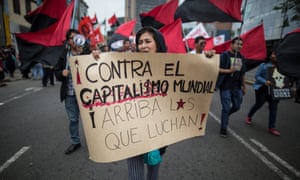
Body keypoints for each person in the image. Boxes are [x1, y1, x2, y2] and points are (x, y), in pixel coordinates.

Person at [125, 26, 168, 180]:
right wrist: (95, 58)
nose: (143, 45)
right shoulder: (126, 66)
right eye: (140, 42)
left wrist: (208, 58)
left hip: (159, 132)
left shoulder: (173, 66)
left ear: (158, 44)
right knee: (135, 176)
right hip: (134, 130)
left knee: (153, 171)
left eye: (147, 41)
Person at [54, 29, 90, 154]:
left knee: (89, 119)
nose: (74, 40)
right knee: (73, 119)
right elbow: (56, 71)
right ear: (68, 41)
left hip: (86, 94)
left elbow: (96, 67)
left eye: (76, 37)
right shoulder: (64, 54)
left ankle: (94, 142)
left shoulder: (86, 51)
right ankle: (75, 142)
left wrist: (91, 54)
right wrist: (61, 73)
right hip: (70, 93)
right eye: (71, 38)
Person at [245, 50, 281, 136]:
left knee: (274, 108)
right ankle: (249, 116)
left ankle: (272, 127)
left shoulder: (280, 67)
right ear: (270, 56)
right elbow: (257, 76)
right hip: (262, 89)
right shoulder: (263, 65)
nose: (275, 56)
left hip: (274, 90)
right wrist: (265, 81)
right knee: (258, 104)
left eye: (277, 55)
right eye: (274, 54)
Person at [218, 37, 246, 137]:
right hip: (225, 86)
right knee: (225, 107)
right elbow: (217, 69)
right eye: (237, 44)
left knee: (237, 106)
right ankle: (223, 128)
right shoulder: (224, 55)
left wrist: (244, 86)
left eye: (241, 44)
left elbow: (242, 73)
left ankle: (226, 115)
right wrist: (229, 71)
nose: (239, 46)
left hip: (236, 87)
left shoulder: (241, 57)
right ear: (232, 44)